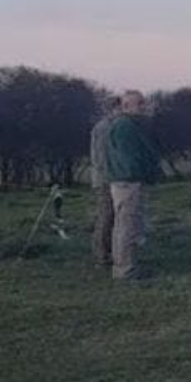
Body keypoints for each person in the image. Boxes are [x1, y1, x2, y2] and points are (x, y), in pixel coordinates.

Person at [103, 91, 161, 281]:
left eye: (143, 103)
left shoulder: (125, 125)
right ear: (126, 106)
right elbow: (132, 158)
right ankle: (125, 270)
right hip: (128, 182)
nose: (143, 107)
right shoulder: (125, 126)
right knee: (127, 225)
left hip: (125, 180)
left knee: (126, 224)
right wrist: (146, 174)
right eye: (138, 104)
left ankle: (126, 266)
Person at [87, 95, 121, 269]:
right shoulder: (103, 128)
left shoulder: (115, 126)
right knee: (106, 215)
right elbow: (100, 157)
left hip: (115, 177)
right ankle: (101, 255)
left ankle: (112, 252)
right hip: (105, 179)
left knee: (115, 216)